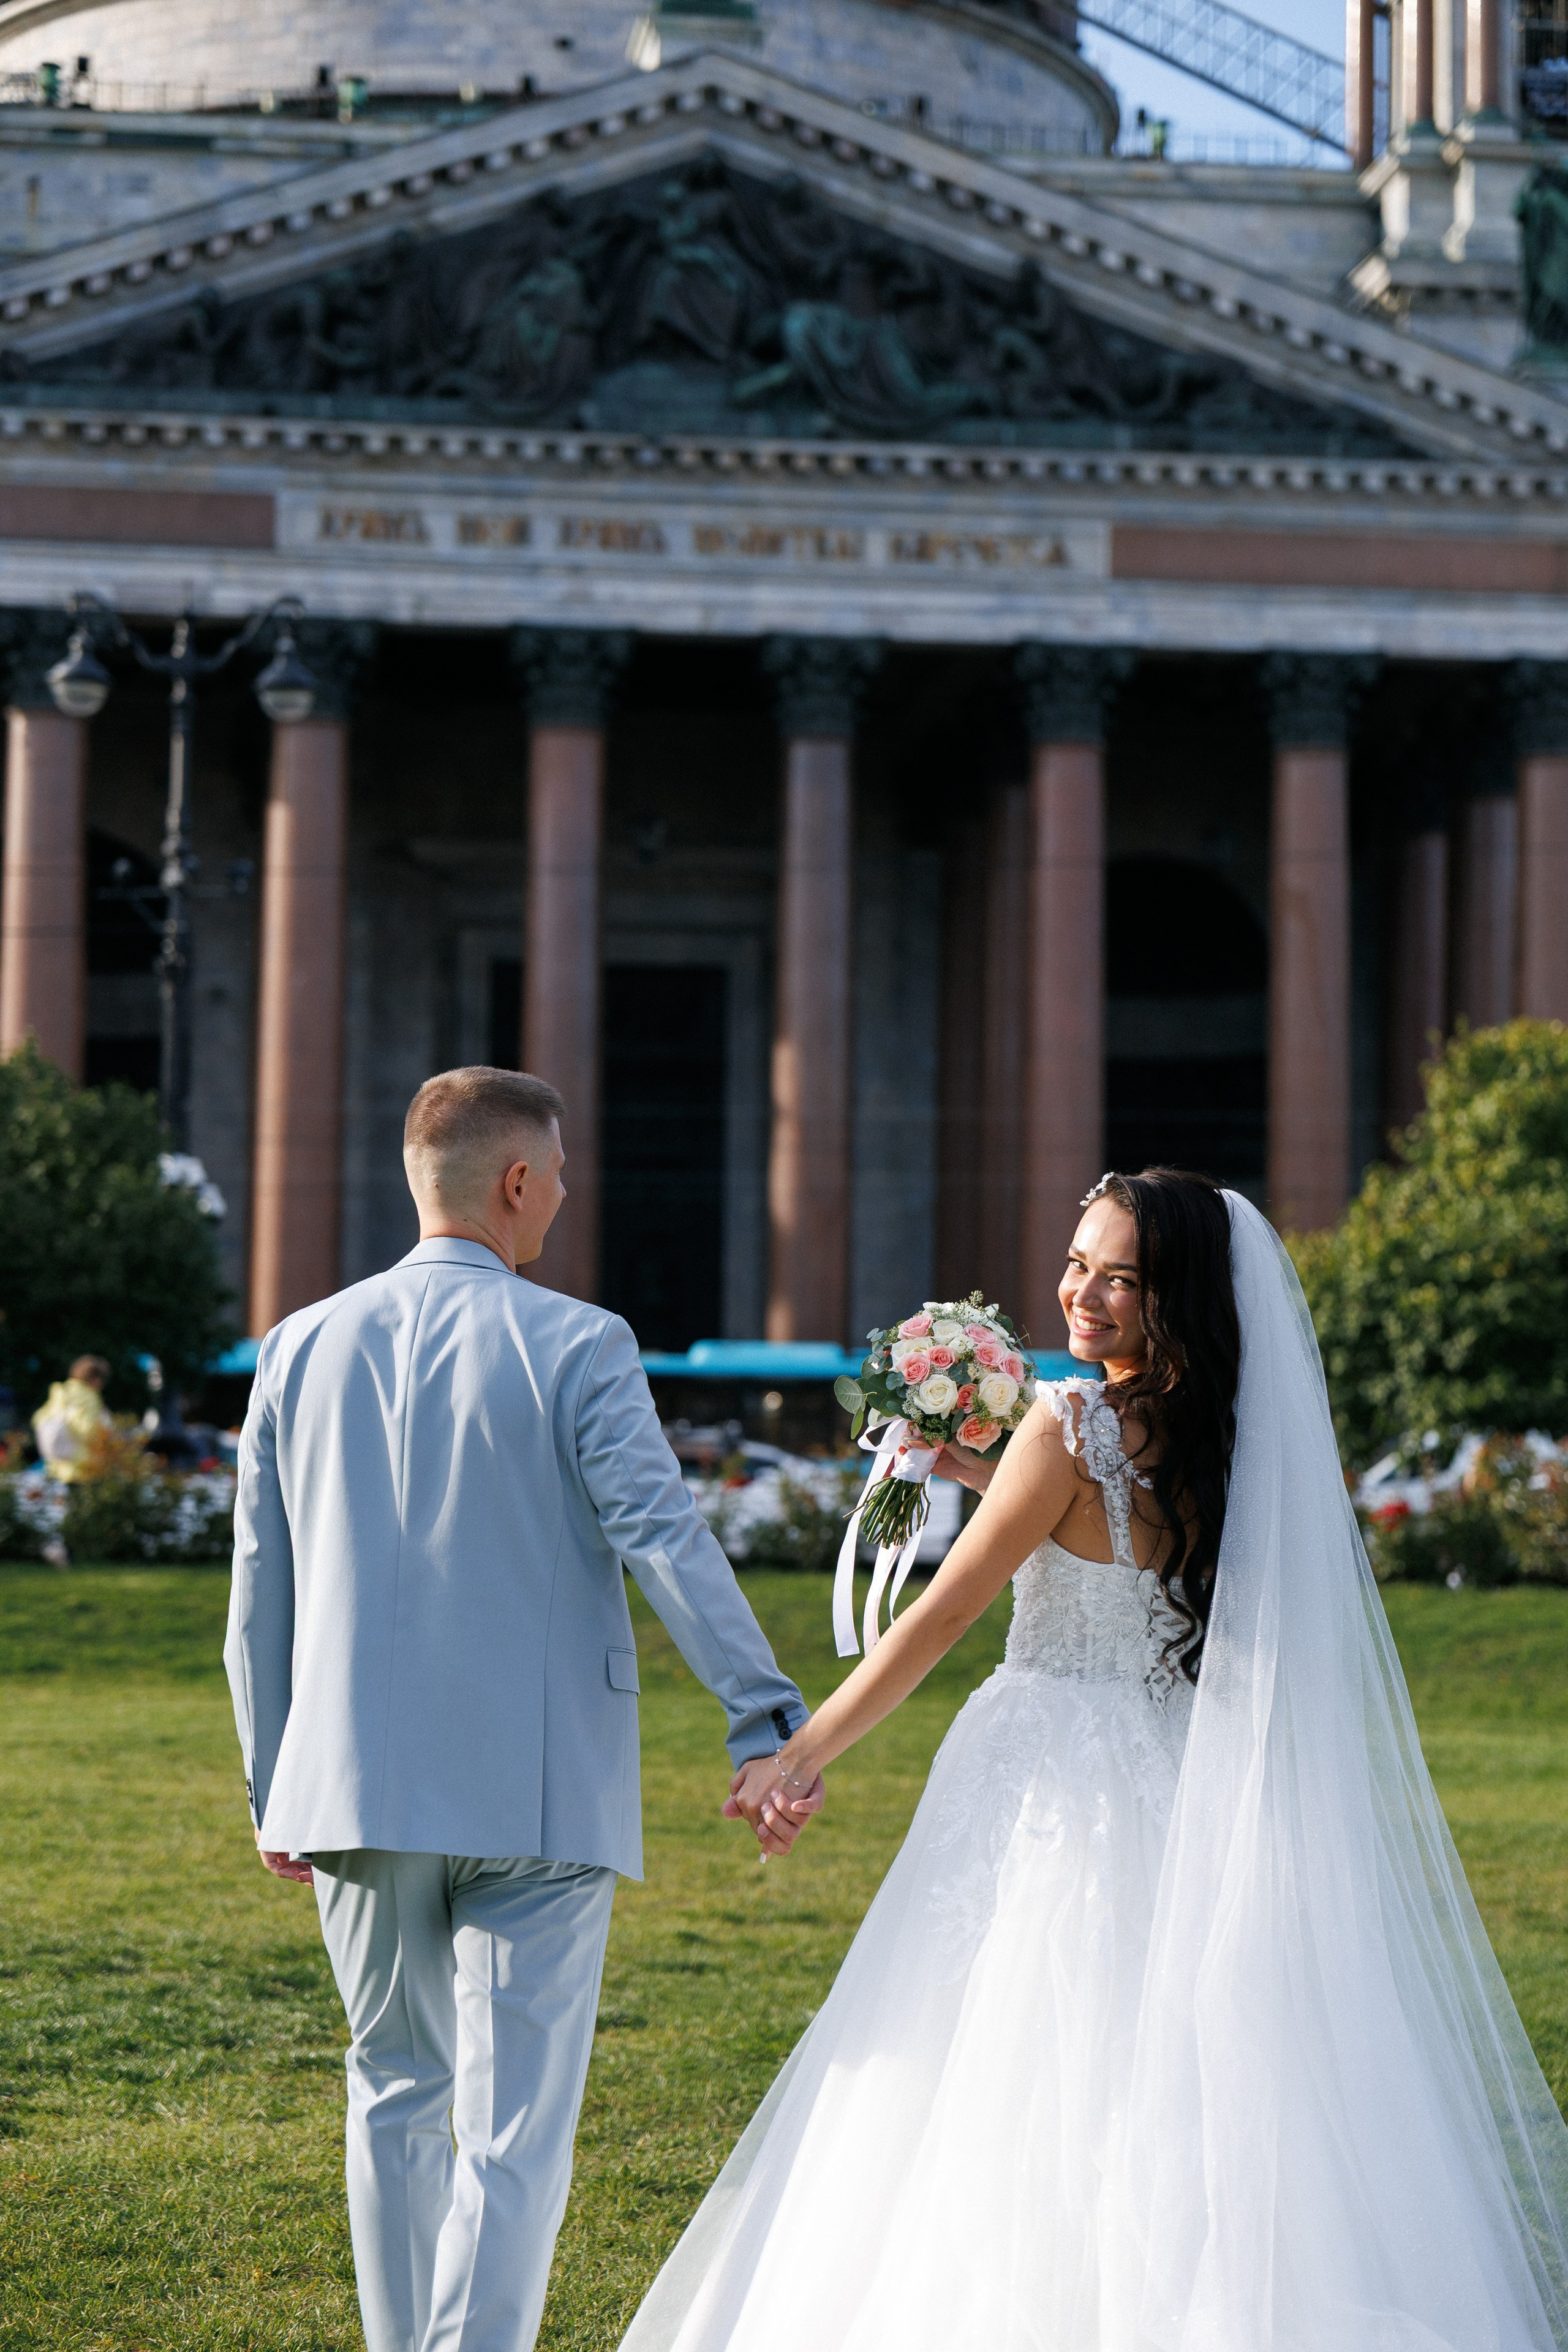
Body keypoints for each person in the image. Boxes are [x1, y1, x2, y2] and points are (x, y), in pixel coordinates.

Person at [623, 1169, 1568, 2352]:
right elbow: (1094, 1537)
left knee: (1010, 2057)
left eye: (1121, 1275)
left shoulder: (1067, 1427)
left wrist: (802, 1751)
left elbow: (943, 1616)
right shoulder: (1230, 1441)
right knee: (1170, 2060)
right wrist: (987, 1473)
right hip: (1178, 1776)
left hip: (1049, 1780)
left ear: (1177, 1295)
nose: (1084, 1293)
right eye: (1078, 1263)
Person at [224, 1066, 823, 2352]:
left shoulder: (298, 1346)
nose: (559, 1196)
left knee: (392, 2090)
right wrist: (760, 1714)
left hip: (353, 1785)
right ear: (511, 1182)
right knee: (511, 2131)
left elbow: (257, 1593)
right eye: (554, 1175)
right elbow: (661, 1534)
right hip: (542, 1792)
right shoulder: (580, 1342)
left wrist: (270, 1777)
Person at [31, 1353, 112, 1481]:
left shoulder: (61, 1392)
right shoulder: (89, 1397)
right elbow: (88, 1430)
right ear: (95, 1378)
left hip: (55, 1469)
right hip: (82, 1470)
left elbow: (38, 1419)